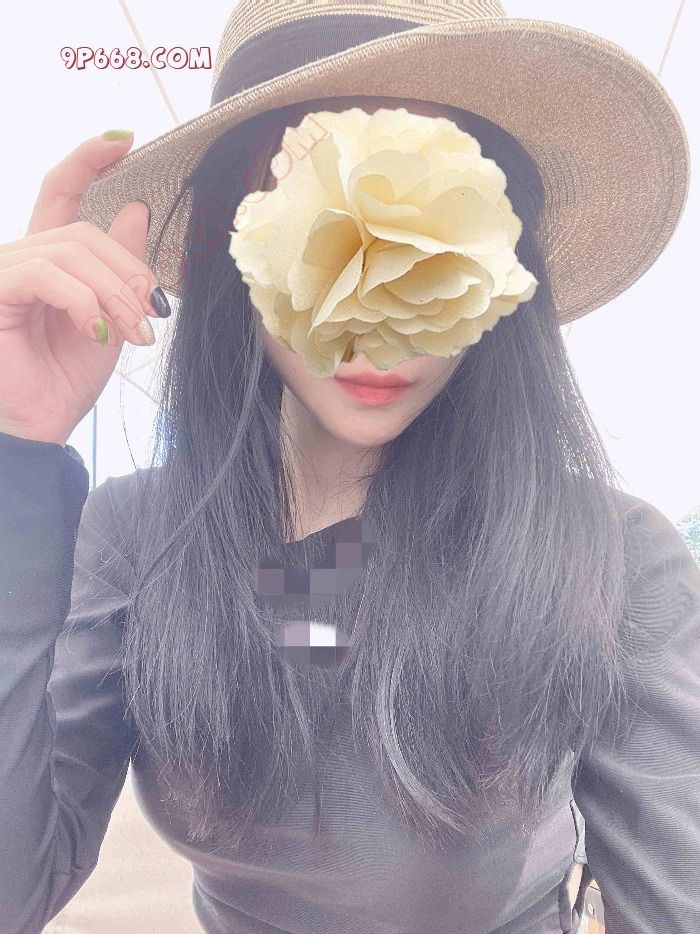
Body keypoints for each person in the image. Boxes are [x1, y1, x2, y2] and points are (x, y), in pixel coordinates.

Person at [1, 3, 698, 933]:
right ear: (232, 252)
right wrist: (17, 446)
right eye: (323, 237)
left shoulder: (612, 557)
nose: (377, 319)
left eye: (429, 248)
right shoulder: (137, 538)